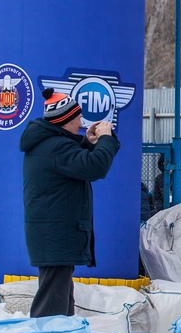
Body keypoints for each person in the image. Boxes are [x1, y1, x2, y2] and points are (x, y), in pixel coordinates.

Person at [20, 88, 119, 317]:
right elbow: (94, 167)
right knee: (53, 306)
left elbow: (73, 164)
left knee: (60, 300)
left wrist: (88, 142)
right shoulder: (55, 147)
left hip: (54, 237)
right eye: (77, 117)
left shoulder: (49, 145)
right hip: (56, 238)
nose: (81, 122)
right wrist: (105, 139)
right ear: (65, 120)